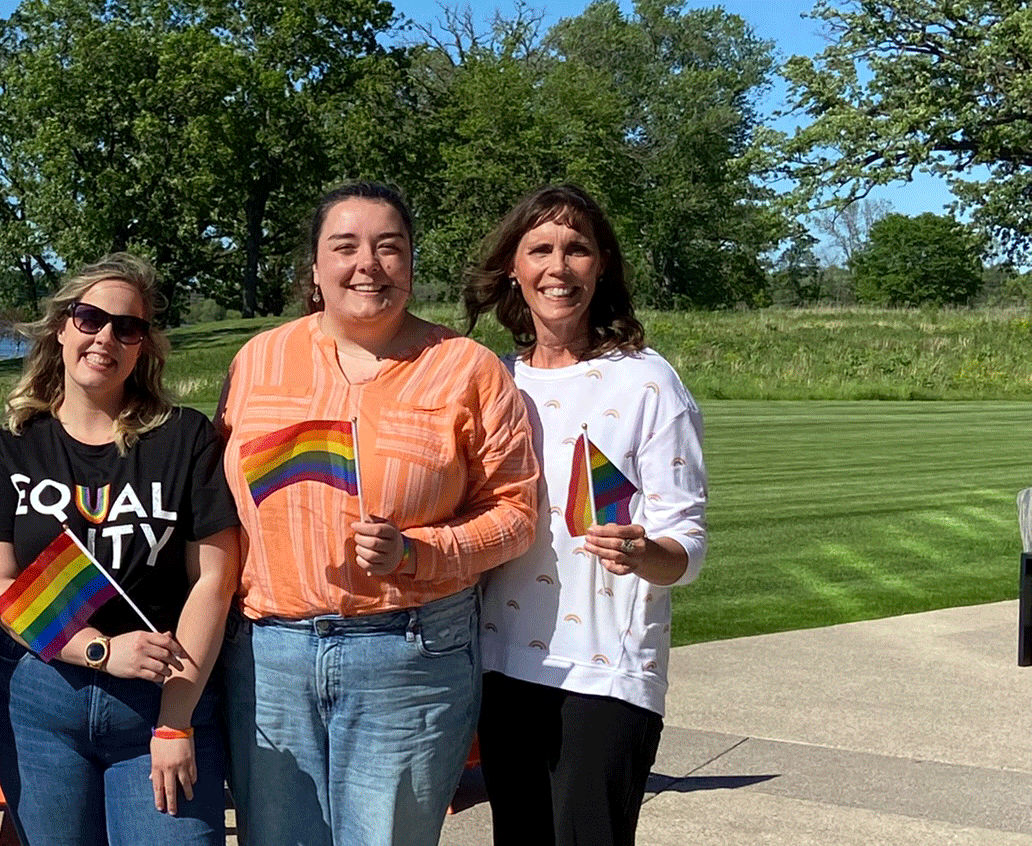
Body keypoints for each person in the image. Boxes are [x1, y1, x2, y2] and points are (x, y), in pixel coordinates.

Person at [217, 181, 540, 846]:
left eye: (389, 248)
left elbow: (516, 513)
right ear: (314, 269)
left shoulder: (466, 370)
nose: (368, 263)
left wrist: (419, 552)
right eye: (346, 247)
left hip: (409, 654)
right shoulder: (258, 360)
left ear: (412, 263)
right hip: (269, 655)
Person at [0, 254, 242, 846]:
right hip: (41, 701)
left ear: (143, 345)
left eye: (128, 327)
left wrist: (174, 721)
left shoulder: (185, 439)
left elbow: (214, 581)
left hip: (162, 696)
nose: (106, 338)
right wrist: (97, 651)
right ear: (62, 326)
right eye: (90, 318)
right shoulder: (11, 448)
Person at [463, 184, 709, 846]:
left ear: (602, 265)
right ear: (514, 267)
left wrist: (643, 552)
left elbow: (686, 544)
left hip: (606, 673)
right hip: (502, 665)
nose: (559, 266)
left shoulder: (648, 384)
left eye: (577, 249)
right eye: (540, 248)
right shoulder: (495, 382)